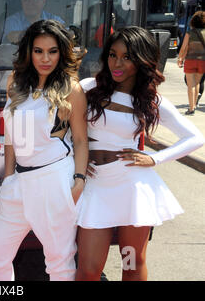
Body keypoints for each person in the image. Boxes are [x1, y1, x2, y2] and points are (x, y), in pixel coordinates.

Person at [75, 26, 204, 281]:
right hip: (96, 186)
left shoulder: (151, 101)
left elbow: (195, 137)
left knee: (132, 262)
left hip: (132, 189)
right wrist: (75, 160)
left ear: (142, 59)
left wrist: (155, 158)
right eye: (113, 54)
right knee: (88, 269)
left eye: (127, 57)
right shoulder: (88, 88)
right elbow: (66, 131)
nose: (117, 63)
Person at [0, 19, 88, 281]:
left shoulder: (71, 89)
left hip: (53, 179)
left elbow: (81, 140)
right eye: (39, 51)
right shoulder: (16, 83)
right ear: (29, 52)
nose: (45, 58)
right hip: (18, 182)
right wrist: (8, 176)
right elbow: (11, 136)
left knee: (59, 261)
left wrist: (79, 180)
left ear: (61, 53)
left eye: (52, 51)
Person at [177, 10, 205, 115]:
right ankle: (195, 105)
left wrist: (180, 58)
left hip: (190, 61)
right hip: (202, 61)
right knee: (197, 82)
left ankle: (191, 108)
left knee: (190, 85)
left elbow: (184, 47)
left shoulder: (189, 33)